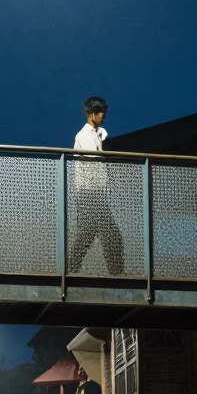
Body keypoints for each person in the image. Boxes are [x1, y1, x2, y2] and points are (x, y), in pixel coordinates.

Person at [70, 96, 124, 275]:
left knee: (88, 235)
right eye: (100, 113)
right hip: (89, 194)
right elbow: (95, 159)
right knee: (111, 236)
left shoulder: (95, 134)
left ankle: (70, 269)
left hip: (94, 194)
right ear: (92, 114)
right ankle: (117, 274)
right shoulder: (84, 136)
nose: (103, 116)